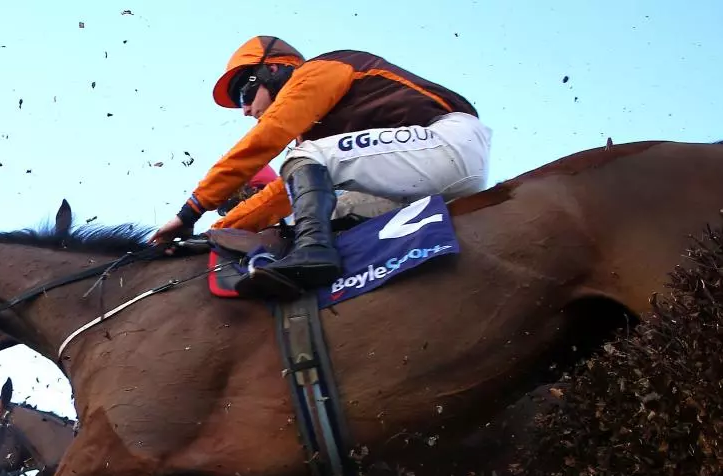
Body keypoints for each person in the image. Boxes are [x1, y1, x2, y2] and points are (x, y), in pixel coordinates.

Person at [150, 36, 491, 299]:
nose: (245, 109)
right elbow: (278, 197)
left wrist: (190, 212)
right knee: (308, 213)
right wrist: (215, 234)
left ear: (271, 69)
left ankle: (314, 255)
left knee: (304, 160)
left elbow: (265, 140)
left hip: (448, 142)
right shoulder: (312, 141)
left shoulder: (320, 70)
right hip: (418, 176)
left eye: (244, 93)